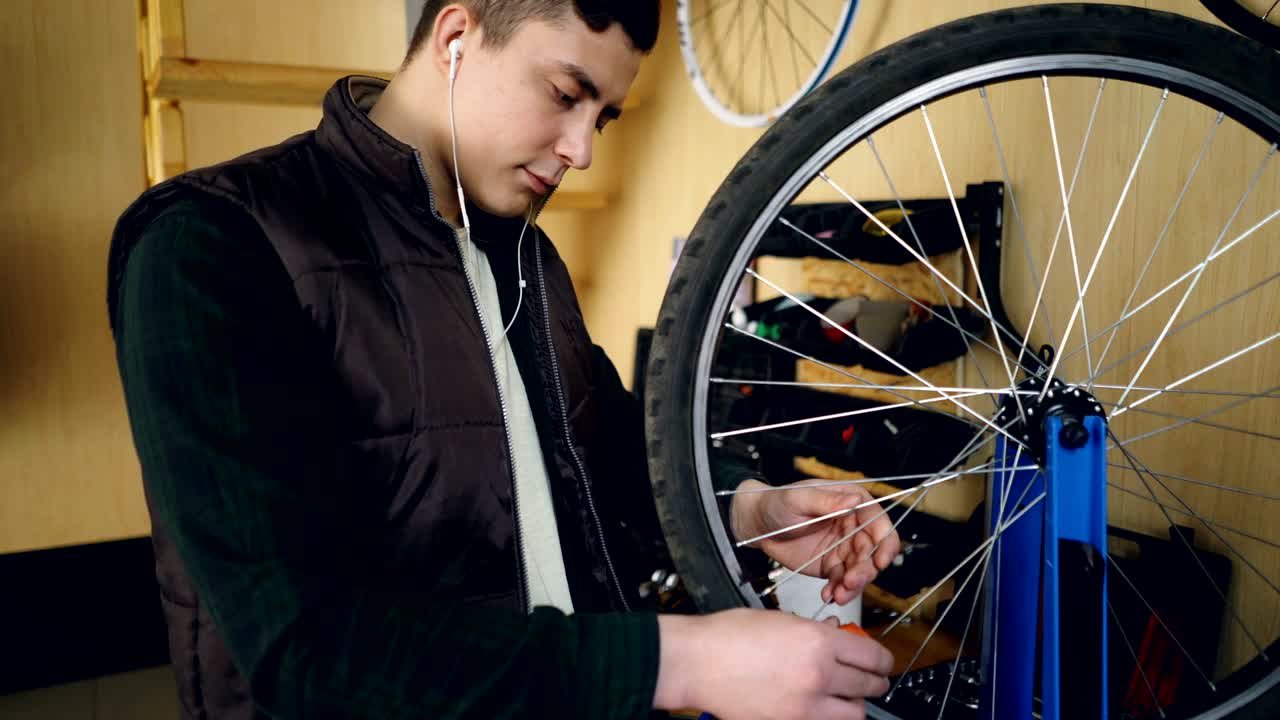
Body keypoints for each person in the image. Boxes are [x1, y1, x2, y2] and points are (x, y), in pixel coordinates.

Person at [107, 2, 902, 718]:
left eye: (606, 117)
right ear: (456, 36)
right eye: (565, 94)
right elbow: (303, 651)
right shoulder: (208, 247)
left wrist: (749, 507)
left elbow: (612, 452)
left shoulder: (523, 253)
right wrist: (679, 662)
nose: (582, 150)